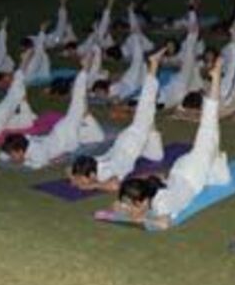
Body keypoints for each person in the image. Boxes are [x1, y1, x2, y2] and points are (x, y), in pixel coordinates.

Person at [112, 56, 231, 229]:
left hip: (193, 169)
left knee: (209, 122)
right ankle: (215, 159)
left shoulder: (162, 205)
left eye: (131, 205)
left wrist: (139, 219)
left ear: (143, 202)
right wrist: (125, 208)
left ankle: (216, 76)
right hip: (183, 171)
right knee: (223, 179)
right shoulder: (153, 197)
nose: (129, 209)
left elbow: (164, 223)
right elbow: (121, 206)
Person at [69, 50, 166, 191]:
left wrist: (91, 185)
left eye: (80, 177)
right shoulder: (92, 164)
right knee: (157, 156)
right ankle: (150, 126)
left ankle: (154, 64)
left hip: (133, 141)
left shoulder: (105, 173)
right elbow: (69, 170)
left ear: (91, 175)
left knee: (147, 102)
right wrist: (78, 180)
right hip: (125, 144)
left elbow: (115, 185)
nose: (78, 180)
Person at [0, 54, 105, 169]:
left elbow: (38, 164)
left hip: (66, 135)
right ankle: (85, 111)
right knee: (98, 137)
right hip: (62, 134)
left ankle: (84, 71)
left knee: (77, 100)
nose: (11, 157)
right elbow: (17, 144)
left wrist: (23, 162)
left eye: (12, 155)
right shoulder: (25, 143)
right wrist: (8, 156)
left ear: (20, 151)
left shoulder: (36, 153)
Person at [159, 25, 203, 109]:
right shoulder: (162, 58)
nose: (170, 48)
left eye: (171, 46)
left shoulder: (181, 55)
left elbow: (185, 64)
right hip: (166, 82)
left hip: (179, 80)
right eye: (168, 46)